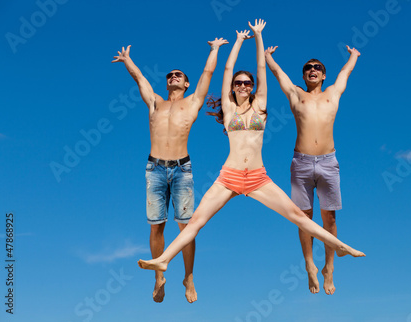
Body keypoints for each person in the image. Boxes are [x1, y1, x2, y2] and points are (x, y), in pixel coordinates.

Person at [137, 20, 364, 291]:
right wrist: (236, 43)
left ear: (253, 87)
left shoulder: (261, 105)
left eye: (247, 83)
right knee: (195, 220)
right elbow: (227, 69)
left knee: (297, 216)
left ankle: (339, 245)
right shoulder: (229, 109)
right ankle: (163, 260)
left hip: (257, 177)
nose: (243, 85)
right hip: (229, 176)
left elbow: (260, 68)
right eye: (238, 83)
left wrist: (258, 37)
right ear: (232, 88)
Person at [112, 37, 228, 303]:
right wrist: (128, 60)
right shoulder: (155, 103)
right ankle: (158, 276)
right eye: (170, 75)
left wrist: (214, 50)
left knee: (186, 227)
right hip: (154, 168)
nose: (173, 76)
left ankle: (188, 277)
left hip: (181, 170)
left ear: (186, 83)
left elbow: (208, 74)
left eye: (179, 75)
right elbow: (140, 79)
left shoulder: (193, 102)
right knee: (156, 227)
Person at [264, 44, 361, 295]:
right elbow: (279, 76)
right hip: (302, 163)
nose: (312, 70)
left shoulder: (333, 93)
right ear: (304, 75)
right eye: (308, 68)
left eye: (317, 67)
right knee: (303, 218)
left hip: (329, 162)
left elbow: (345, 74)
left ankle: (329, 268)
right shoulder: (296, 94)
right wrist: (267, 58)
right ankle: (309, 264)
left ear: (324, 74)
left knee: (329, 218)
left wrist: (353, 56)